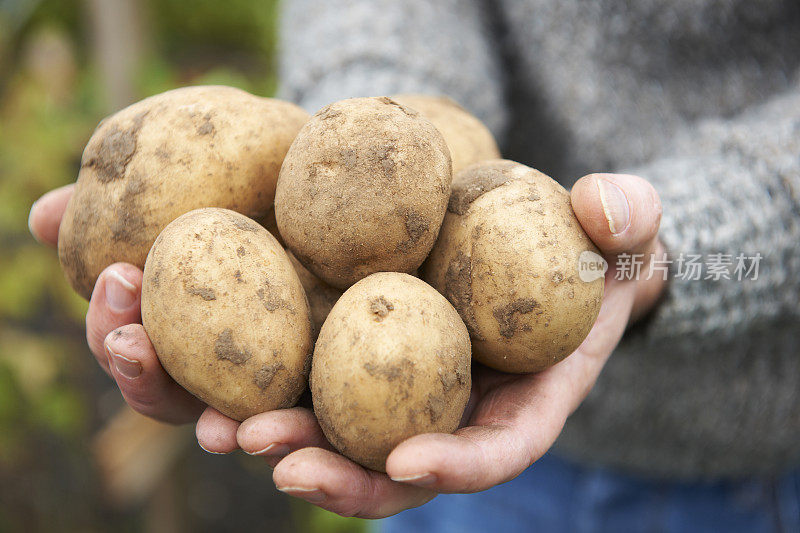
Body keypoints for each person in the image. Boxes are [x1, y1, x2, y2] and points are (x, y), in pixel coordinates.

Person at [28, 0, 800, 530]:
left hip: (767, 468)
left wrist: (673, 245)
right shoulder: (379, 188)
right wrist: (365, 107)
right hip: (467, 480)